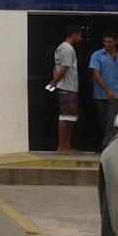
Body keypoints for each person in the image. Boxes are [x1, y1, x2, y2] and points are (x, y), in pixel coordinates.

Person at [47, 23, 83, 154]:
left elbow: (55, 67)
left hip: (66, 86)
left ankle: (67, 145)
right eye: (80, 35)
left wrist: (56, 81)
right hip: (68, 87)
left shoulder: (60, 48)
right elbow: (63, 69)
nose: (81, 38)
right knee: (65, 117)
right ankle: (61, 147)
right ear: (74, 34)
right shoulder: (69, 49)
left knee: (70, 117)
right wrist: (54, 82)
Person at [89, 31, 118, 148]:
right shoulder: (97, 55)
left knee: (112, 123)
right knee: (103, 123)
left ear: (116, 42)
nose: (107, 44)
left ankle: (106, 148)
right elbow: (95, 74)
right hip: (100, 95)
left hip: (117, 95)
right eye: (105, 42)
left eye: (110, 42)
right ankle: (108, 146)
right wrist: (108, 91)